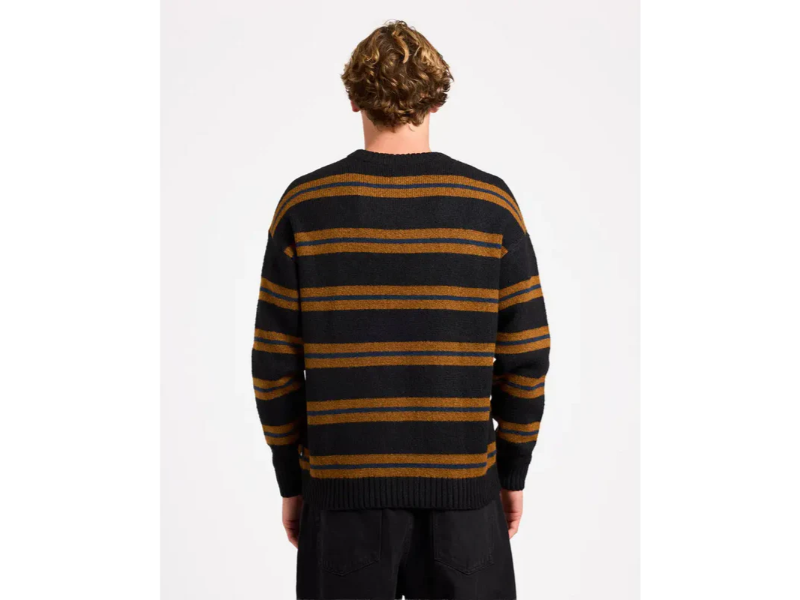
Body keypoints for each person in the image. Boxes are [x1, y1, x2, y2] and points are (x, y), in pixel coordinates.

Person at [252, 20, 550, 600]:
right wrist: (512, 471)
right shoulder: (489, 204)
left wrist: (292, 480)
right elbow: (526, 356)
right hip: (465, 500)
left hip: (342, 500)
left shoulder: (306, 204)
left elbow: (274, 365)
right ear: (437, 98)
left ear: (354, 98)